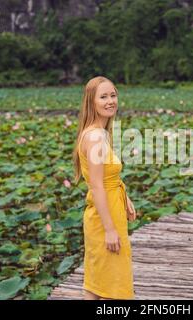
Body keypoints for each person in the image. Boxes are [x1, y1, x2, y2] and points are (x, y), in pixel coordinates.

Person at [72, 76, 137, 300]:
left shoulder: (96, 132)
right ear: (91, 102)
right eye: (103, 97)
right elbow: (98, 186)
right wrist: (110, 230)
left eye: (113, 95)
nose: (110, 101)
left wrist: (125, 197)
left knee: (97, 281)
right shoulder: (97, 136)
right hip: (105, 218)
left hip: (105, 211)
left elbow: (106, 178)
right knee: (113, 286)